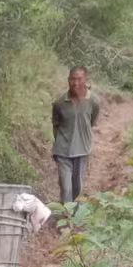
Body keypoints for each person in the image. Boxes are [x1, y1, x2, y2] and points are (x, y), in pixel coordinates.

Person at [51, 66, 100, 206]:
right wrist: (59, 142)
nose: (75, 83)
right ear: (68, 80)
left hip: (82, 150)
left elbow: (92, 121)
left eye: (79, 79)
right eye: (72, 79)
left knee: (77, 187)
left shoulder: (93, 101)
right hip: (62, 150)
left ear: (86, 80)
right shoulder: (60, 102)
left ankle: (74, 215)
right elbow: (55, 123)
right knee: (66, 188)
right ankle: (67, 218)